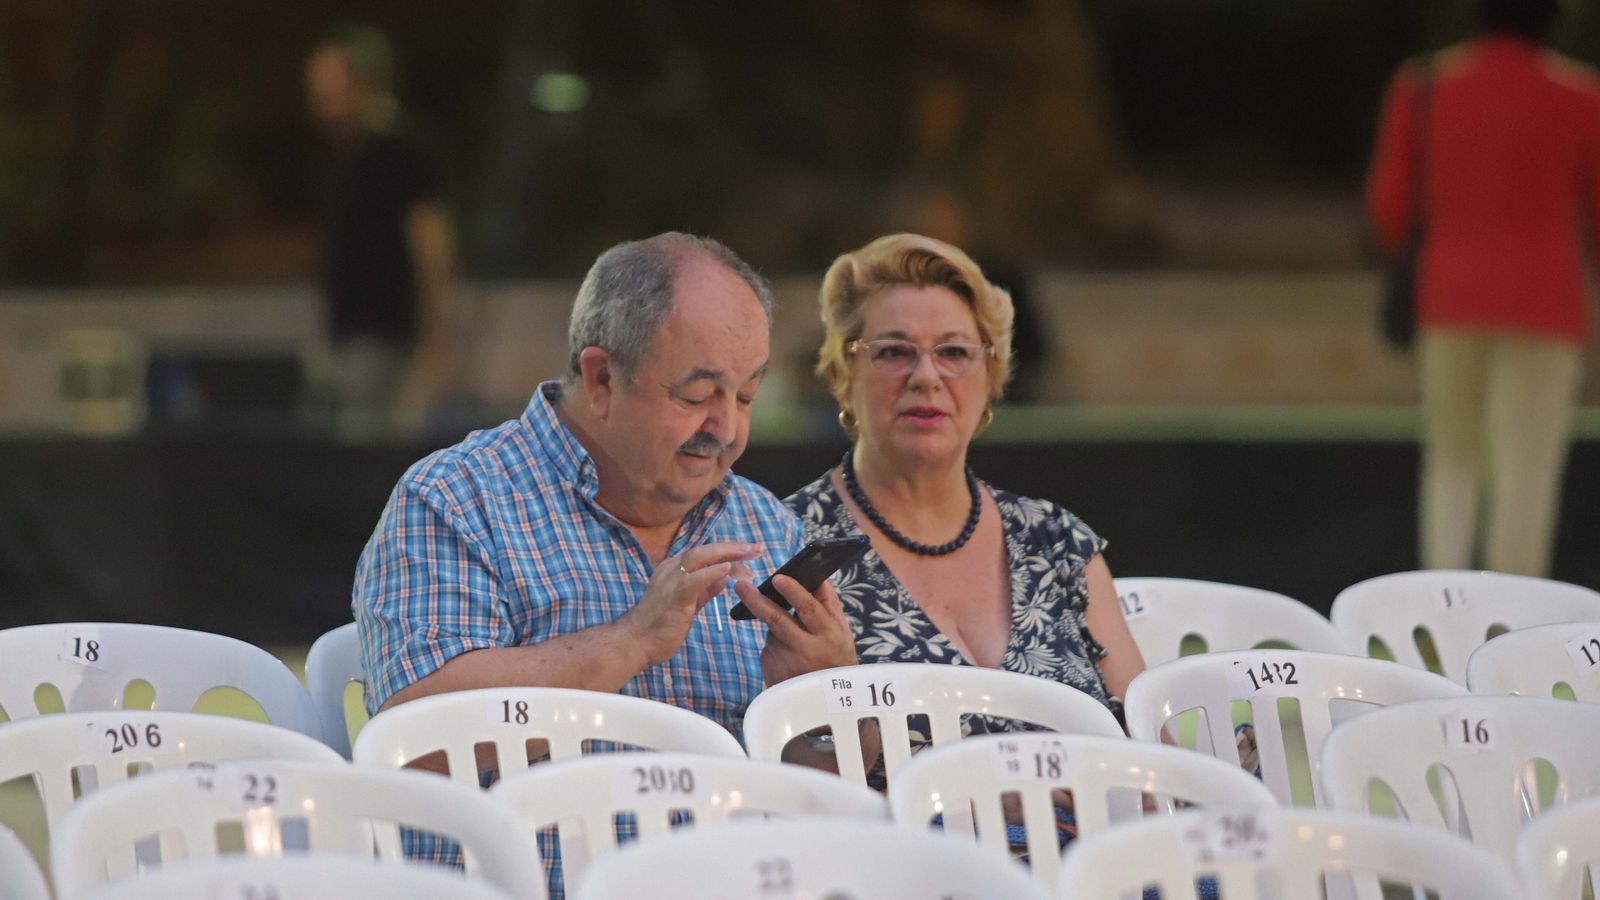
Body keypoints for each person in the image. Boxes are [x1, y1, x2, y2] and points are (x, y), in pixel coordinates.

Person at [352, 232, 858, 896]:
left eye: (745, 396)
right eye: (698, 394)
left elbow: (822, 801)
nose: (727, 428)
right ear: (600, 378)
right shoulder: (455, 501)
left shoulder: (764, 523)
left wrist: (822, 712)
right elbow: (413, 743)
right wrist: (630, 642)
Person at [784, 234, 1146, 791]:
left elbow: (1149, 751)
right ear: (841, 377)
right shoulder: (793, 543)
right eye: (894, 351)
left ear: (990, 380)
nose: (926, 376)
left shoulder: (1056, 540)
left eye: (953, 353)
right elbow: (782, 778)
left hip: (1088, 858)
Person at [1366, 0, 1600, 577]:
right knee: (1526, 476)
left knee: (1450, 464)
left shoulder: (1422, 86)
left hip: (1449, 299)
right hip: (1546, 305)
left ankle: (1439, 614)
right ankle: (1510, 629)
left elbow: (1389, 211)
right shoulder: (1582, 95)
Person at [305, 24, 457, 435]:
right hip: (343, 331)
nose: (318, 99)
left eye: (328, 85)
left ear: (363, 83)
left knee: (364, 448)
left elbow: (431, 242)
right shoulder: (343, 155)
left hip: (382, 335)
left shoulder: (403, 150)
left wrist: (435, 334)